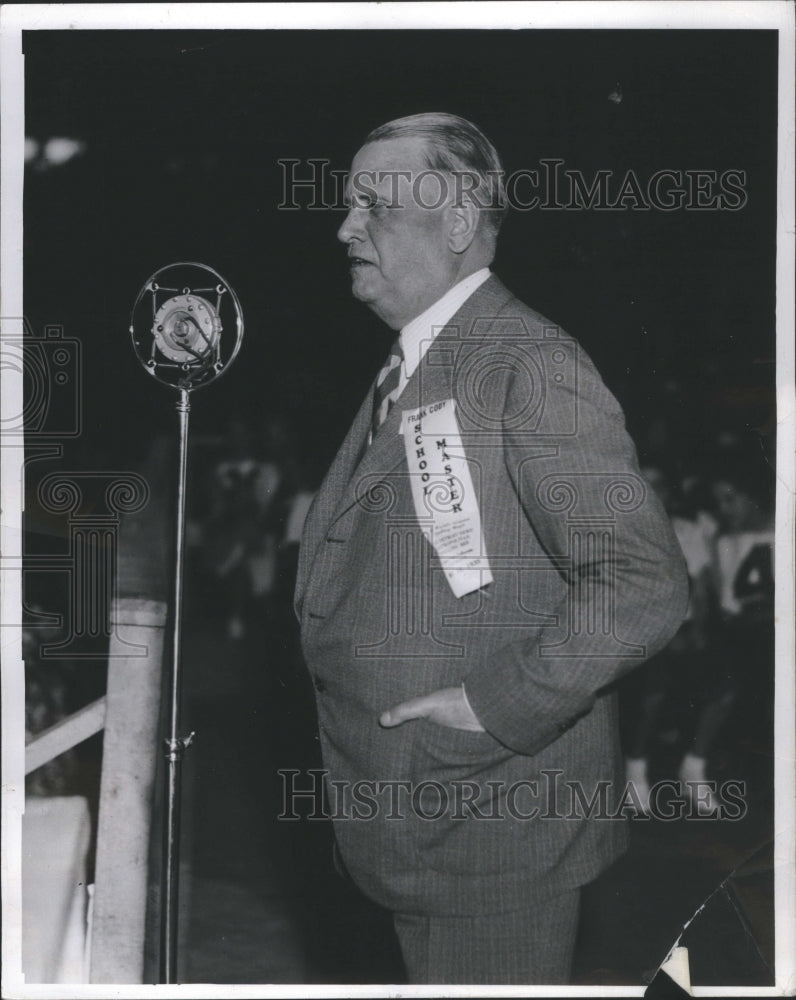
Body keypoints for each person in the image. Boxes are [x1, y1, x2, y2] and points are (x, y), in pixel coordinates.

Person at [294, 112, 688, 985]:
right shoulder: (420, 362)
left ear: (460, 223)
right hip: (413, 824)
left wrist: (496, 701)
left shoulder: (528, 364)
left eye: (373, 205)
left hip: (488, 826)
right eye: (345, 204)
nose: (344, 227)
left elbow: (643, 582)